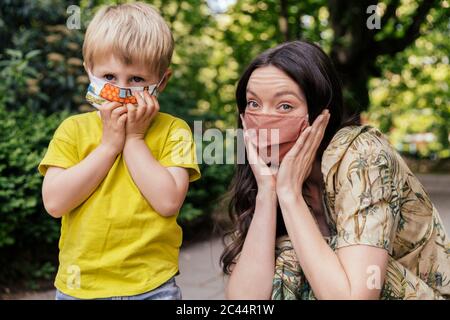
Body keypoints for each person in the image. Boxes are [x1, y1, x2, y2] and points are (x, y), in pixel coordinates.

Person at [221, 40, 450, 300]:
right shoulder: (268, 173)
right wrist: (267, 191)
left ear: (321, 113)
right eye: (253, 104)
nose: (264, 122)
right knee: (288, 256)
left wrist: (290, 195)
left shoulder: (363, 154)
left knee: (296, 257)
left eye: (285, 106)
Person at [38, 2, 200, 300]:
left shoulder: (174, 131)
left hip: (152, 285)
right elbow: (55, 203)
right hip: (80, 287)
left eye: (137, 79)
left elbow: (167, 202)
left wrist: (134, 139)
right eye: (109, 77)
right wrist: (109, 145)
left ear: (162, 81)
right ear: (89, 70)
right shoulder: (72, 130)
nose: (122, 89)